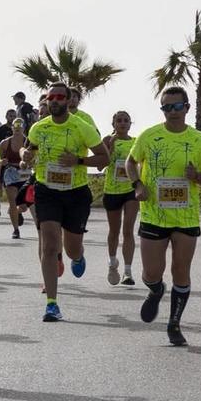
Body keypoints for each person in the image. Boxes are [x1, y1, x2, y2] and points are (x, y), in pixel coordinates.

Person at [130, 86, 201, 345]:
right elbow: (130, 161)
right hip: (153, 215)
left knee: (181, 270)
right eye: (166, 107)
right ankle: (156, 290)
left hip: (186, 217)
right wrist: (137, 185)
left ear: (187, 108)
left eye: (177, 106)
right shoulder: (149, 136)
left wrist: (197, 177)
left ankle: (174, 324)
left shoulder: (199, 140)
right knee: (151, 272)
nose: (172, 112)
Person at [26, 82, 109, 321]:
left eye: (59, 97)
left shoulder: (83, 127)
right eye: (50, 97)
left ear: (68, 100)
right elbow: (28, 149)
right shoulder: (39, 128)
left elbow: (105, 157)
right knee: (50, 245)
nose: (54, 101)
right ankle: (51, 303)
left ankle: (78, 255)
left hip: (75, 192)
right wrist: (25, 156)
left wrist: (78, 161)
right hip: (47, 190)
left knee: (72, 248)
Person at [101, 110, 139, 287]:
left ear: (130, 124)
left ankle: (128, 271)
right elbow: (101, 165)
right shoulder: (108, 140)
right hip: (112, 191)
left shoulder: (136, 142)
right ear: (113, 124)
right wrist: (110, 147)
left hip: (130, 191)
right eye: (119, 121)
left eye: (126, 120)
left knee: (128, 230)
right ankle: (112, 262)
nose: (122, 123)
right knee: (114, 231)